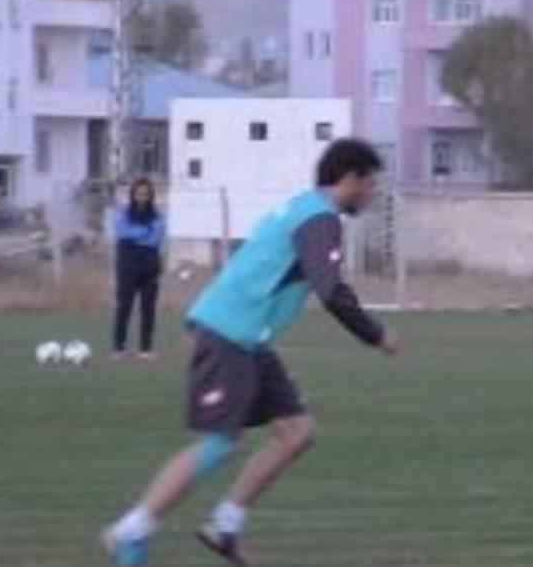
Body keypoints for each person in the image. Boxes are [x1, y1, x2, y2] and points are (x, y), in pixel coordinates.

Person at [102, 139, 402, 566]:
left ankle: (224, 526)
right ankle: (130, 532)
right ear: (350, 178)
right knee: (222, 441)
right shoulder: (319, 219)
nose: (371, 195)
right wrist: (376, 335)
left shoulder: (303, 207)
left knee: (297, 431)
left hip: (249, 339)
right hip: (228, 332)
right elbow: (331, 290)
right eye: (369, 184)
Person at [113, 178, 166, 361]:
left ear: (151, 196)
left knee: (148, 309)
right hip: (127, 264)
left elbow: (155, 239)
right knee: (124, 306)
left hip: (150, 265)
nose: (142, 197)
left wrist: (135, 235)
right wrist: (144, 231)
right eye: (139, 194)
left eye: (146, 194)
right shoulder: (123, 213)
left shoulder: (157, 217)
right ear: (133, 195)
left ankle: (145, 349)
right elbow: (122, 232)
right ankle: (119, 348)